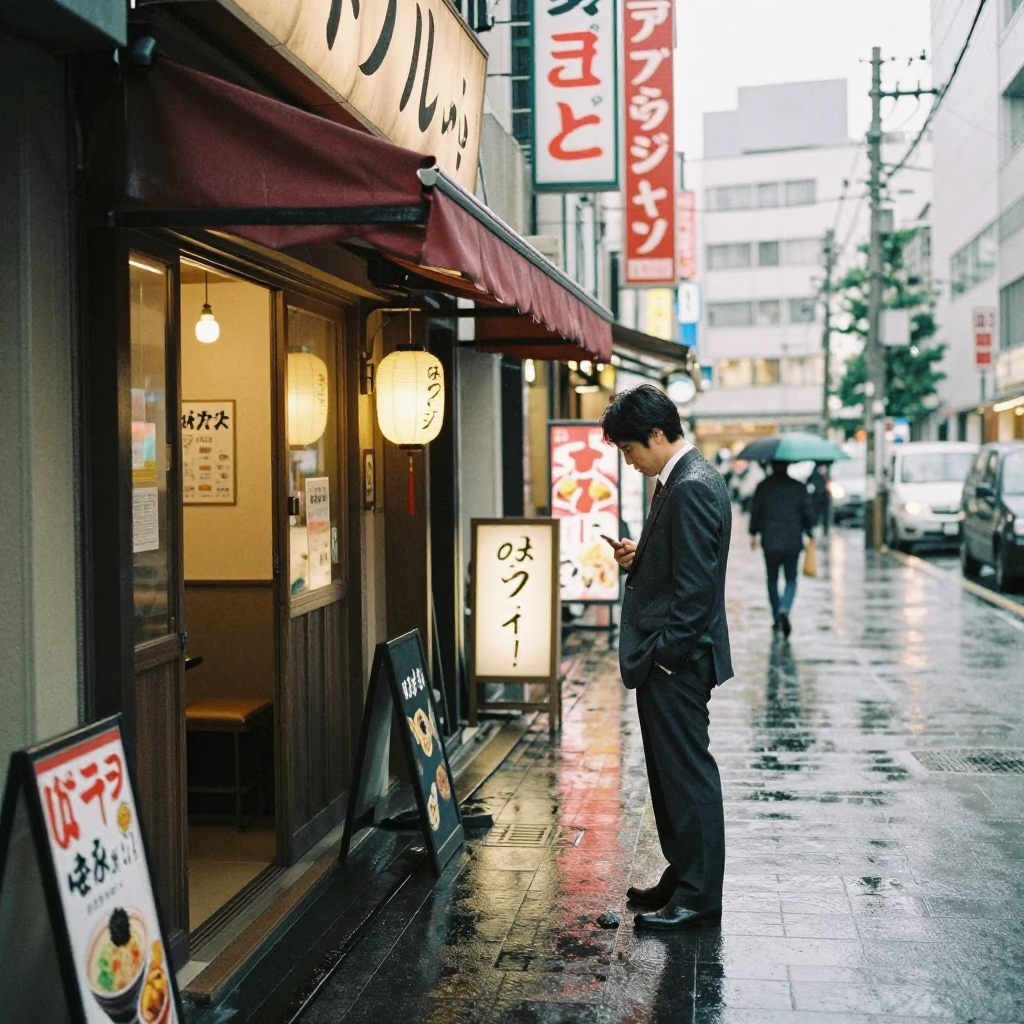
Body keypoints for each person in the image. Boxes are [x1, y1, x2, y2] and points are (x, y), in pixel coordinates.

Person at [600, 385, 733, 931]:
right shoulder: (682, 479)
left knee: (687, 774)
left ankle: (699, 895)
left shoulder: (691, 486)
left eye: (629, 450)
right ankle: (682, 876)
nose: (628, 462)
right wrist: (641, 556)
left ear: (657, 434)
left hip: (676, 660)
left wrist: (667, 659)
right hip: (670, 655)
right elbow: (679, 565)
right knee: (670, 774)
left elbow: (696, 591)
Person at [749, 460, 815, 638]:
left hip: (770, 541)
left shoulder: (763, 487)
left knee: (772, 579)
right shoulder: (798, 487)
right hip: (793, 541)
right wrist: (809, 531)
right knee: (791, 579)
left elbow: (755, 512)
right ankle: (785, 608)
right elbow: (808, 514)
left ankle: (776, 616)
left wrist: (753, 533)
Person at [806, 462, 831, 535]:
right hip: (817, 495)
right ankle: (815, 528)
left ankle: (824, 530)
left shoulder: (824, 473)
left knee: (824, 514)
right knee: (816, 513)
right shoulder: (815, 473)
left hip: (823, 495)